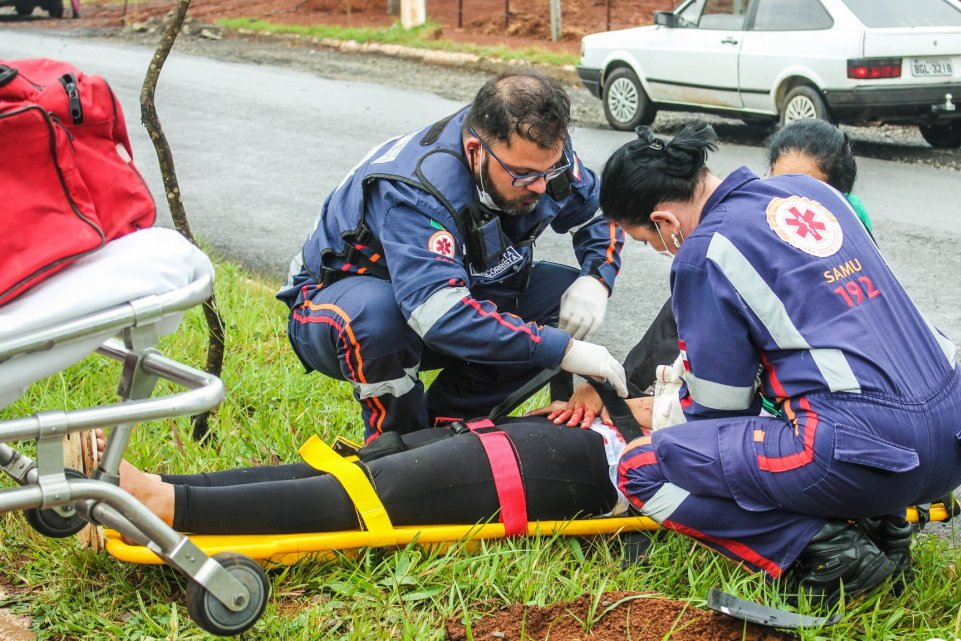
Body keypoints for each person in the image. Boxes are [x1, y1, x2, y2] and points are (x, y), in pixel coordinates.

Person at [594, 122, 961, 606]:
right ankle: (885, 529)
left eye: (647, 240)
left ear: (665, 221)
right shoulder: (811, 193)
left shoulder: (704, 253)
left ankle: (827, 551)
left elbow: (719, 412)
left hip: (870, 458)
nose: (658, 249)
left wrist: (660, 420)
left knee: (643, 465)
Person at [277, 69, 628, 444]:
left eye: (549, 170)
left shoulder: (539, 153)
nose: (541, 186)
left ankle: (448, 429)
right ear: (476, 152)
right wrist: (563, 350)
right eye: (524, 176)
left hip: (455, 285)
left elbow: (599, 210)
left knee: (561, 295)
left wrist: (596, 279)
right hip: (334, 308)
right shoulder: (415, 191)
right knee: (378, 318)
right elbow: (440, 317)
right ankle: (398, 446)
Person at [537, 118, 873, 427]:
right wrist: (615, 388)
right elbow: (675, 339)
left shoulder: (717, 254)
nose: (784, 199)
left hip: (816, 423)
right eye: (778, 182)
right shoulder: (751, 232)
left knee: (639, 468)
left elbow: (718, 415)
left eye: (800, 187)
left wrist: (635, 408)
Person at [103, 413, 649, 535]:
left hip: (602, 471)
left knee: (375, 494)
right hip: (577, 431)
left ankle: (163, 506)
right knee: (356, 467)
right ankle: (160, 488)